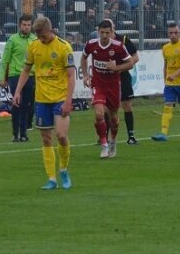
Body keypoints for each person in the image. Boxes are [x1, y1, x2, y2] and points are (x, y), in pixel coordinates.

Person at [13, 16, 75, 190]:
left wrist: (68, 101)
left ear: (50, 30)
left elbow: (71, 76)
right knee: (46, 139)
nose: (41, 39)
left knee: (61, 136)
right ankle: (52, 179)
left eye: (43, 36)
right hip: (41, 99)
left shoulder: (64, 47)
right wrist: (17, 91)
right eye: (38, 36)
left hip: (60, 98)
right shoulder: (33, 46)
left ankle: (63, 168)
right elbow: (26, 70)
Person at [81, 19, 135, 159]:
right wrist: (86, 75)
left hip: (113, 86)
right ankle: (104, 145)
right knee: (99, 114)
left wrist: (116, 68)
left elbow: (130, 63)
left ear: (112, 32)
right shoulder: (91, 44)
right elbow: (84, 57)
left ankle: (113, 141)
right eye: (102, 32)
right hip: (98, 84)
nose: (104, 35)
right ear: (98, 32)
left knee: (114, 118)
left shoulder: (118, 46)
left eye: (107, 33)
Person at [152, 23, 180, 142]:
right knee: (167, 106)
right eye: (170, 33)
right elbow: (165, 65)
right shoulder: (165, 48)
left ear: (179, 33)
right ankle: (163, 133)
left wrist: (175, 75)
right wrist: (165, 80)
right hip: (170, 84)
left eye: (175, 33)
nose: (173, 35)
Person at [0, 14, 36, 142]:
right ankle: (15, 133)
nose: (26, 27)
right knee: (16, 104)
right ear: (20, 25)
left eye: (29, 25)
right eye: (24, 25)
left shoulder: (35, 40)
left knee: (26, 105)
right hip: (15, 75)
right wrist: (2, 78)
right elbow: (5, 60)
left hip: (30, 76)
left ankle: (24, 133)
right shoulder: (12, 40)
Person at [113, 23, 140, 145]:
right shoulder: (100, 42)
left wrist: (122, 67)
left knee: (127, 105)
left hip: (123, 76)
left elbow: (135, 57)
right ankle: (106, 138)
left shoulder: (123, 40)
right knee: (109, 109)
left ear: (113, 28)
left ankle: (131, 136)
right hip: (108, 78)